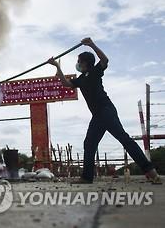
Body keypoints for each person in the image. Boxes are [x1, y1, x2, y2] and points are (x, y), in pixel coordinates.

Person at [48, 37, 161, 184]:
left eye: (79, 61)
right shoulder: (81, 79)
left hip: (106, 111)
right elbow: (66, 83)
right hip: (97, 116)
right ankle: (87, 177)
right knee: (89, 143)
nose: (78, 64)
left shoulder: (96, 71)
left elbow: (105, 60)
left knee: (124, 140)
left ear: (85, 63)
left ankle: (152, 173)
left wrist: (92, 45)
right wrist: (57, 66)